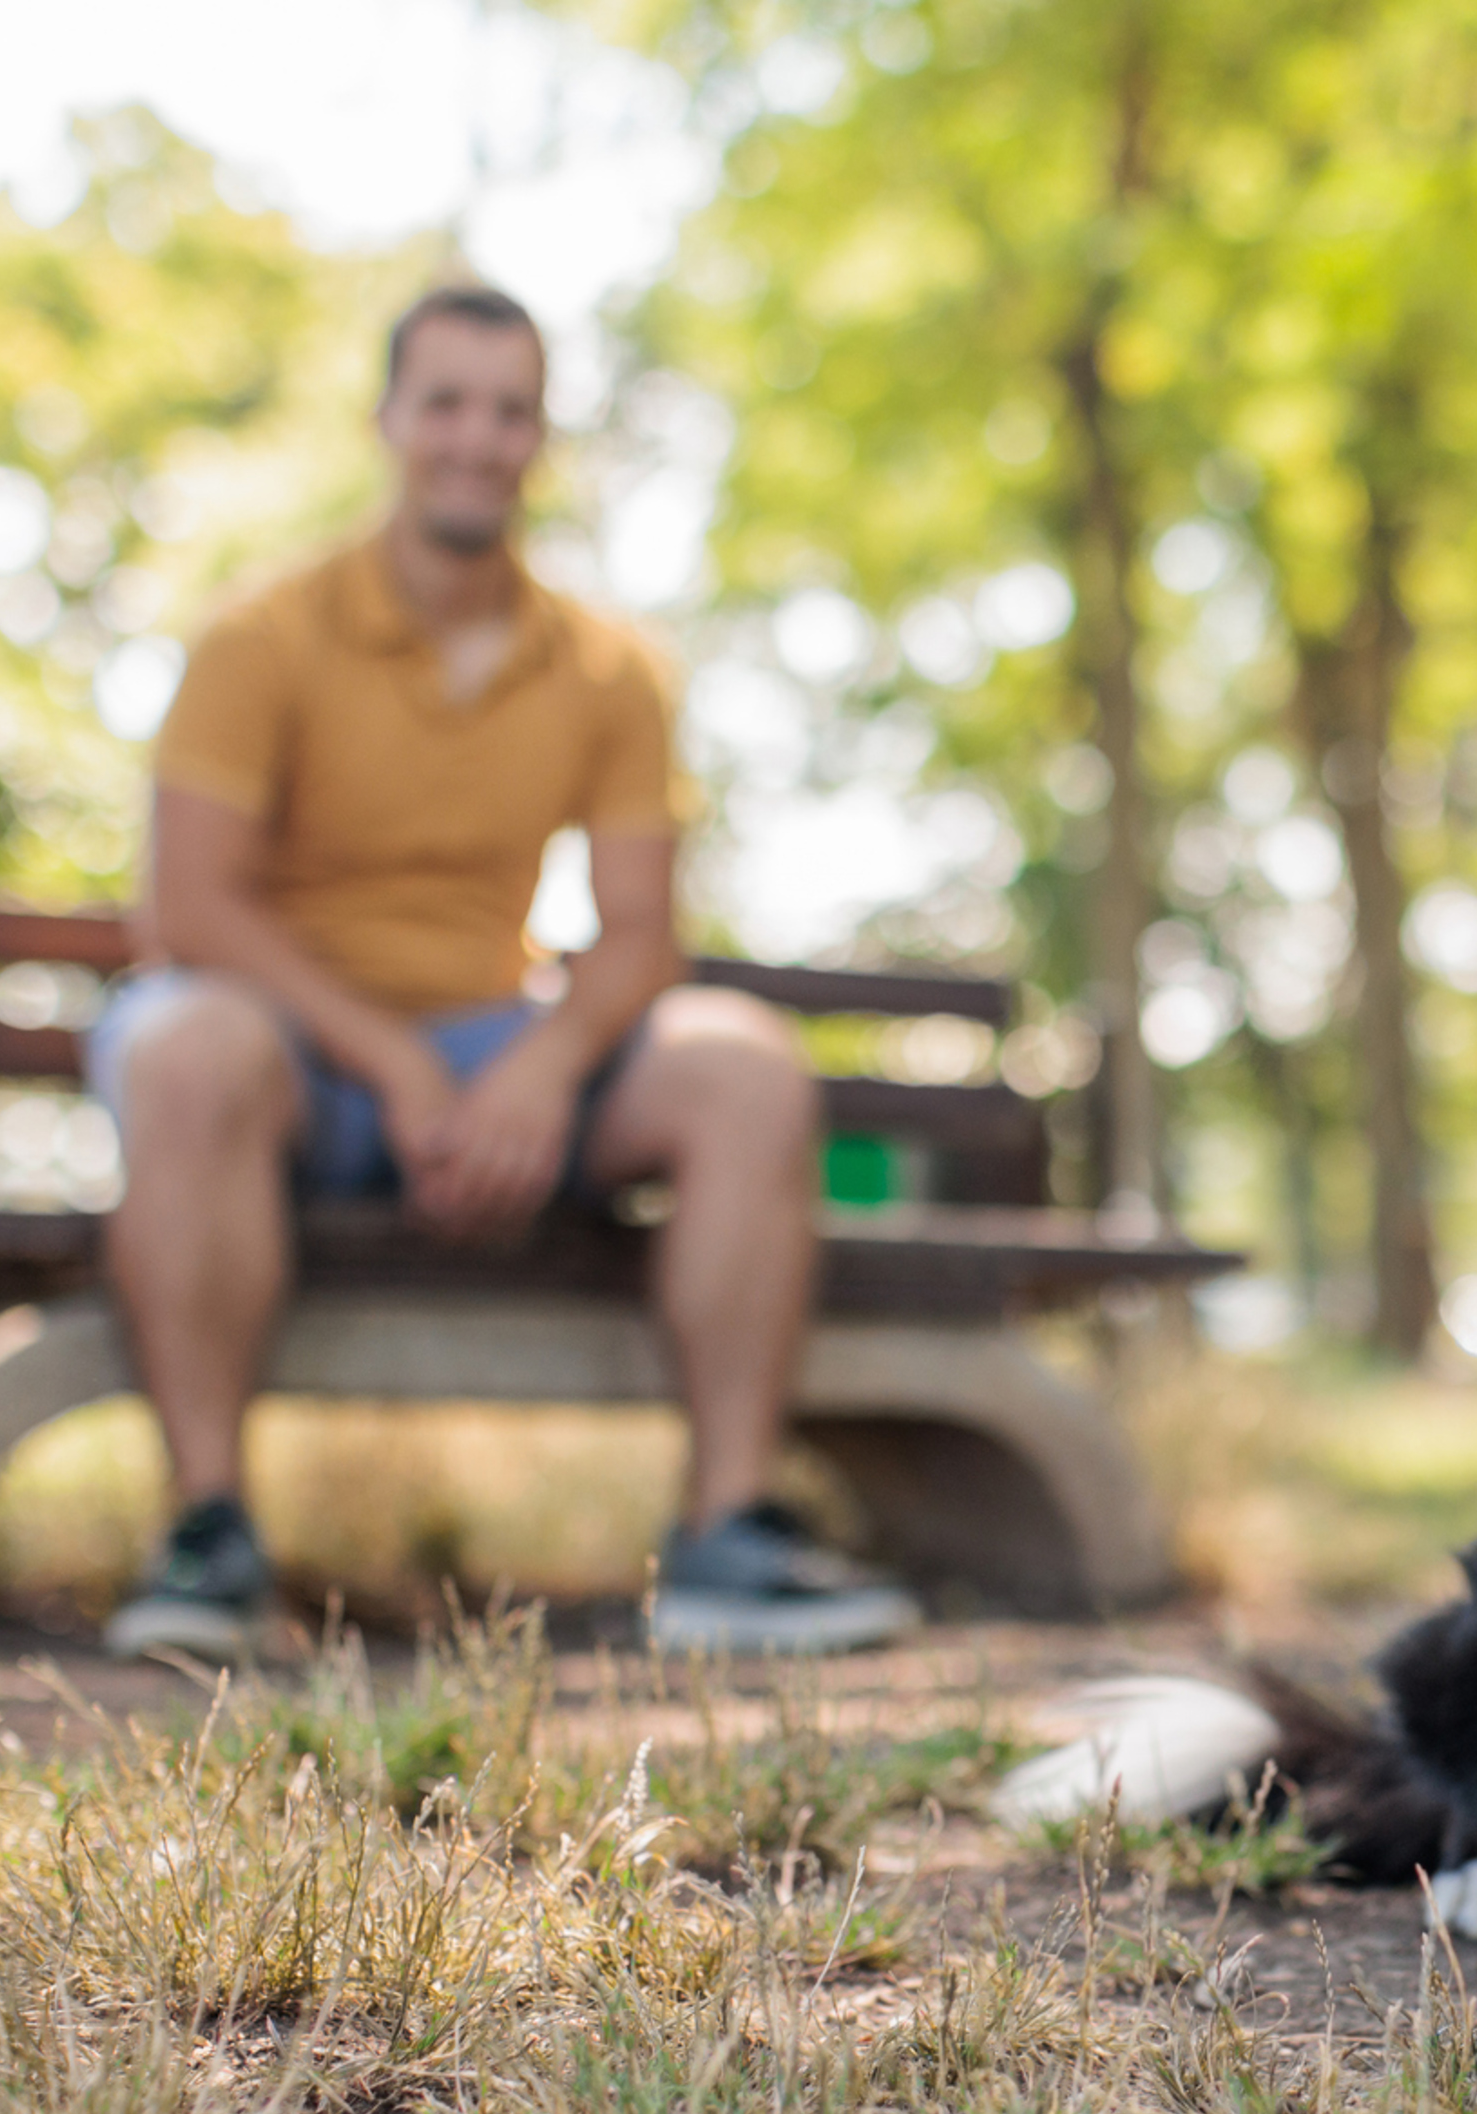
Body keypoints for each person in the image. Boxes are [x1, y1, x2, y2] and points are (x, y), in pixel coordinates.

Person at [84, 281, 913, 1660]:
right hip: (288, 1053)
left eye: (511, 411)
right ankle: (209, 1536)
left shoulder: (609, 668)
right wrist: (395, 1063)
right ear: (388, 421)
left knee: (744, 1067)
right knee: (186, 1046)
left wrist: (541, 1067)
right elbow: (188, 908)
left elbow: (640, 931)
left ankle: (728, 1538)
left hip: (491, 1046)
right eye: (447, 404)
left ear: (542, 438)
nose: (478, 438)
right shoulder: (260, 636)